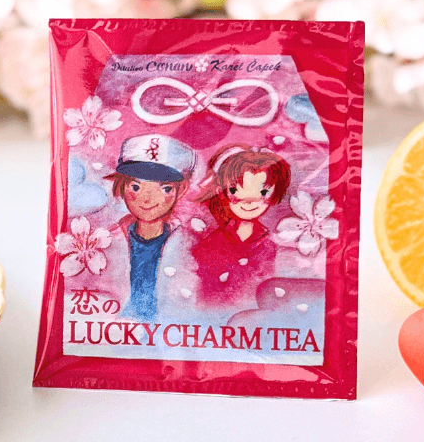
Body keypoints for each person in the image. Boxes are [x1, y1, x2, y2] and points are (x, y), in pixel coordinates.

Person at [98, 134, 198, 320]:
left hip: (170, 331)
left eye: (165, 188)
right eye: (135, 187)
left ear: (181, 190)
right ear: (122, 185)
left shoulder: (189, 244)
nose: (147, 200)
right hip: (117, 328)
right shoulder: (106, 241)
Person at [192, 145, 291, 307]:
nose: (249, 201)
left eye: (263, 192)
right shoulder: (211, 243)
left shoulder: (269, 244)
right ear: (221, 191)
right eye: (235, 190)